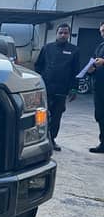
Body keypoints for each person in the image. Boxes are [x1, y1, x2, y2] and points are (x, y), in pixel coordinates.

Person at [35, 23, 79, 151]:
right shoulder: (47, 48)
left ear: (69, 35)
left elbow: (75, 71)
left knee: (56, 116)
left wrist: (74, 89)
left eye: (65, 33)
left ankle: (52, 139)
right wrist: (39, 82)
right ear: (56, 34)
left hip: (61, 90)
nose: (63, 35)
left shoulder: (74, 50)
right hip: (46, 89)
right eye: (61, 32)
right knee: (41, 115)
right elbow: (38, 66)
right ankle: (38, 138)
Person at [87, 22, 104, 153]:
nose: (103, 33)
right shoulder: (100, 46)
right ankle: (103, 143)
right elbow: (92, 62)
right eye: (102, 31)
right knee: (100, 116)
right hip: (99, 87)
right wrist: (90, 69)